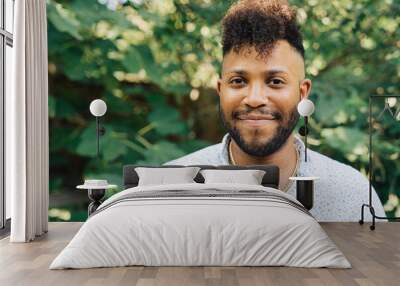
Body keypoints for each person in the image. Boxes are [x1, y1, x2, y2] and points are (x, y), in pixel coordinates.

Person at [163, 0, 385, 222]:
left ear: (303, 93)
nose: (255, 99)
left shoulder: (353, 198)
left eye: (276, 81)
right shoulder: (166, 191)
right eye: (238, 81)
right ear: (221, 90)